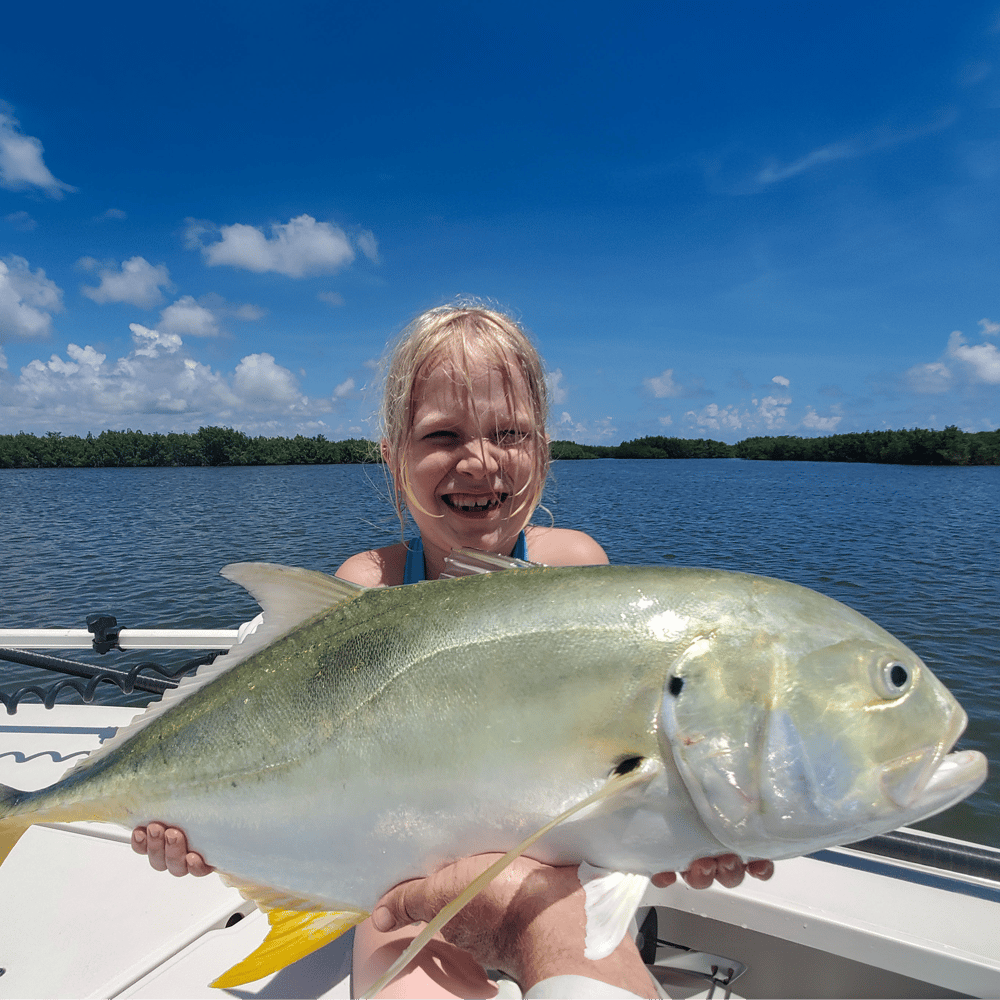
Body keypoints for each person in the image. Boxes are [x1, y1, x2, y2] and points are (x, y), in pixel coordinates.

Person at [132, 303, 774, 997]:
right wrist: (203, 824)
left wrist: (697, 823)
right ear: (392, 455)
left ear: (543, 449)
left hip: (560, 873)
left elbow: (616, 757)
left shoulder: (577, 569)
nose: (479, 461)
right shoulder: (367, 584)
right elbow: (304, 753)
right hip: (401, 878)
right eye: (443, 434)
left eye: (509, 433)